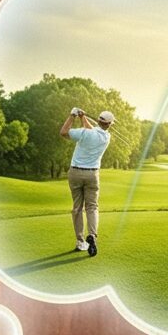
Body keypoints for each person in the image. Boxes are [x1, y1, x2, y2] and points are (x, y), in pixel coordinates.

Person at [64, 107, 113, 256]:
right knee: (92, 207)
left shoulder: (84, 133)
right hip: (92, 175)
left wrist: (72, 115)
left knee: (77, 208)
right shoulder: (106, 137)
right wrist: (83, 117)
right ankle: (92, 235)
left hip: (76, 173)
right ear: (109, 124)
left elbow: (64, 132)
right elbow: (93, 132)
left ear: (98, 120)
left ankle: (80, 242)